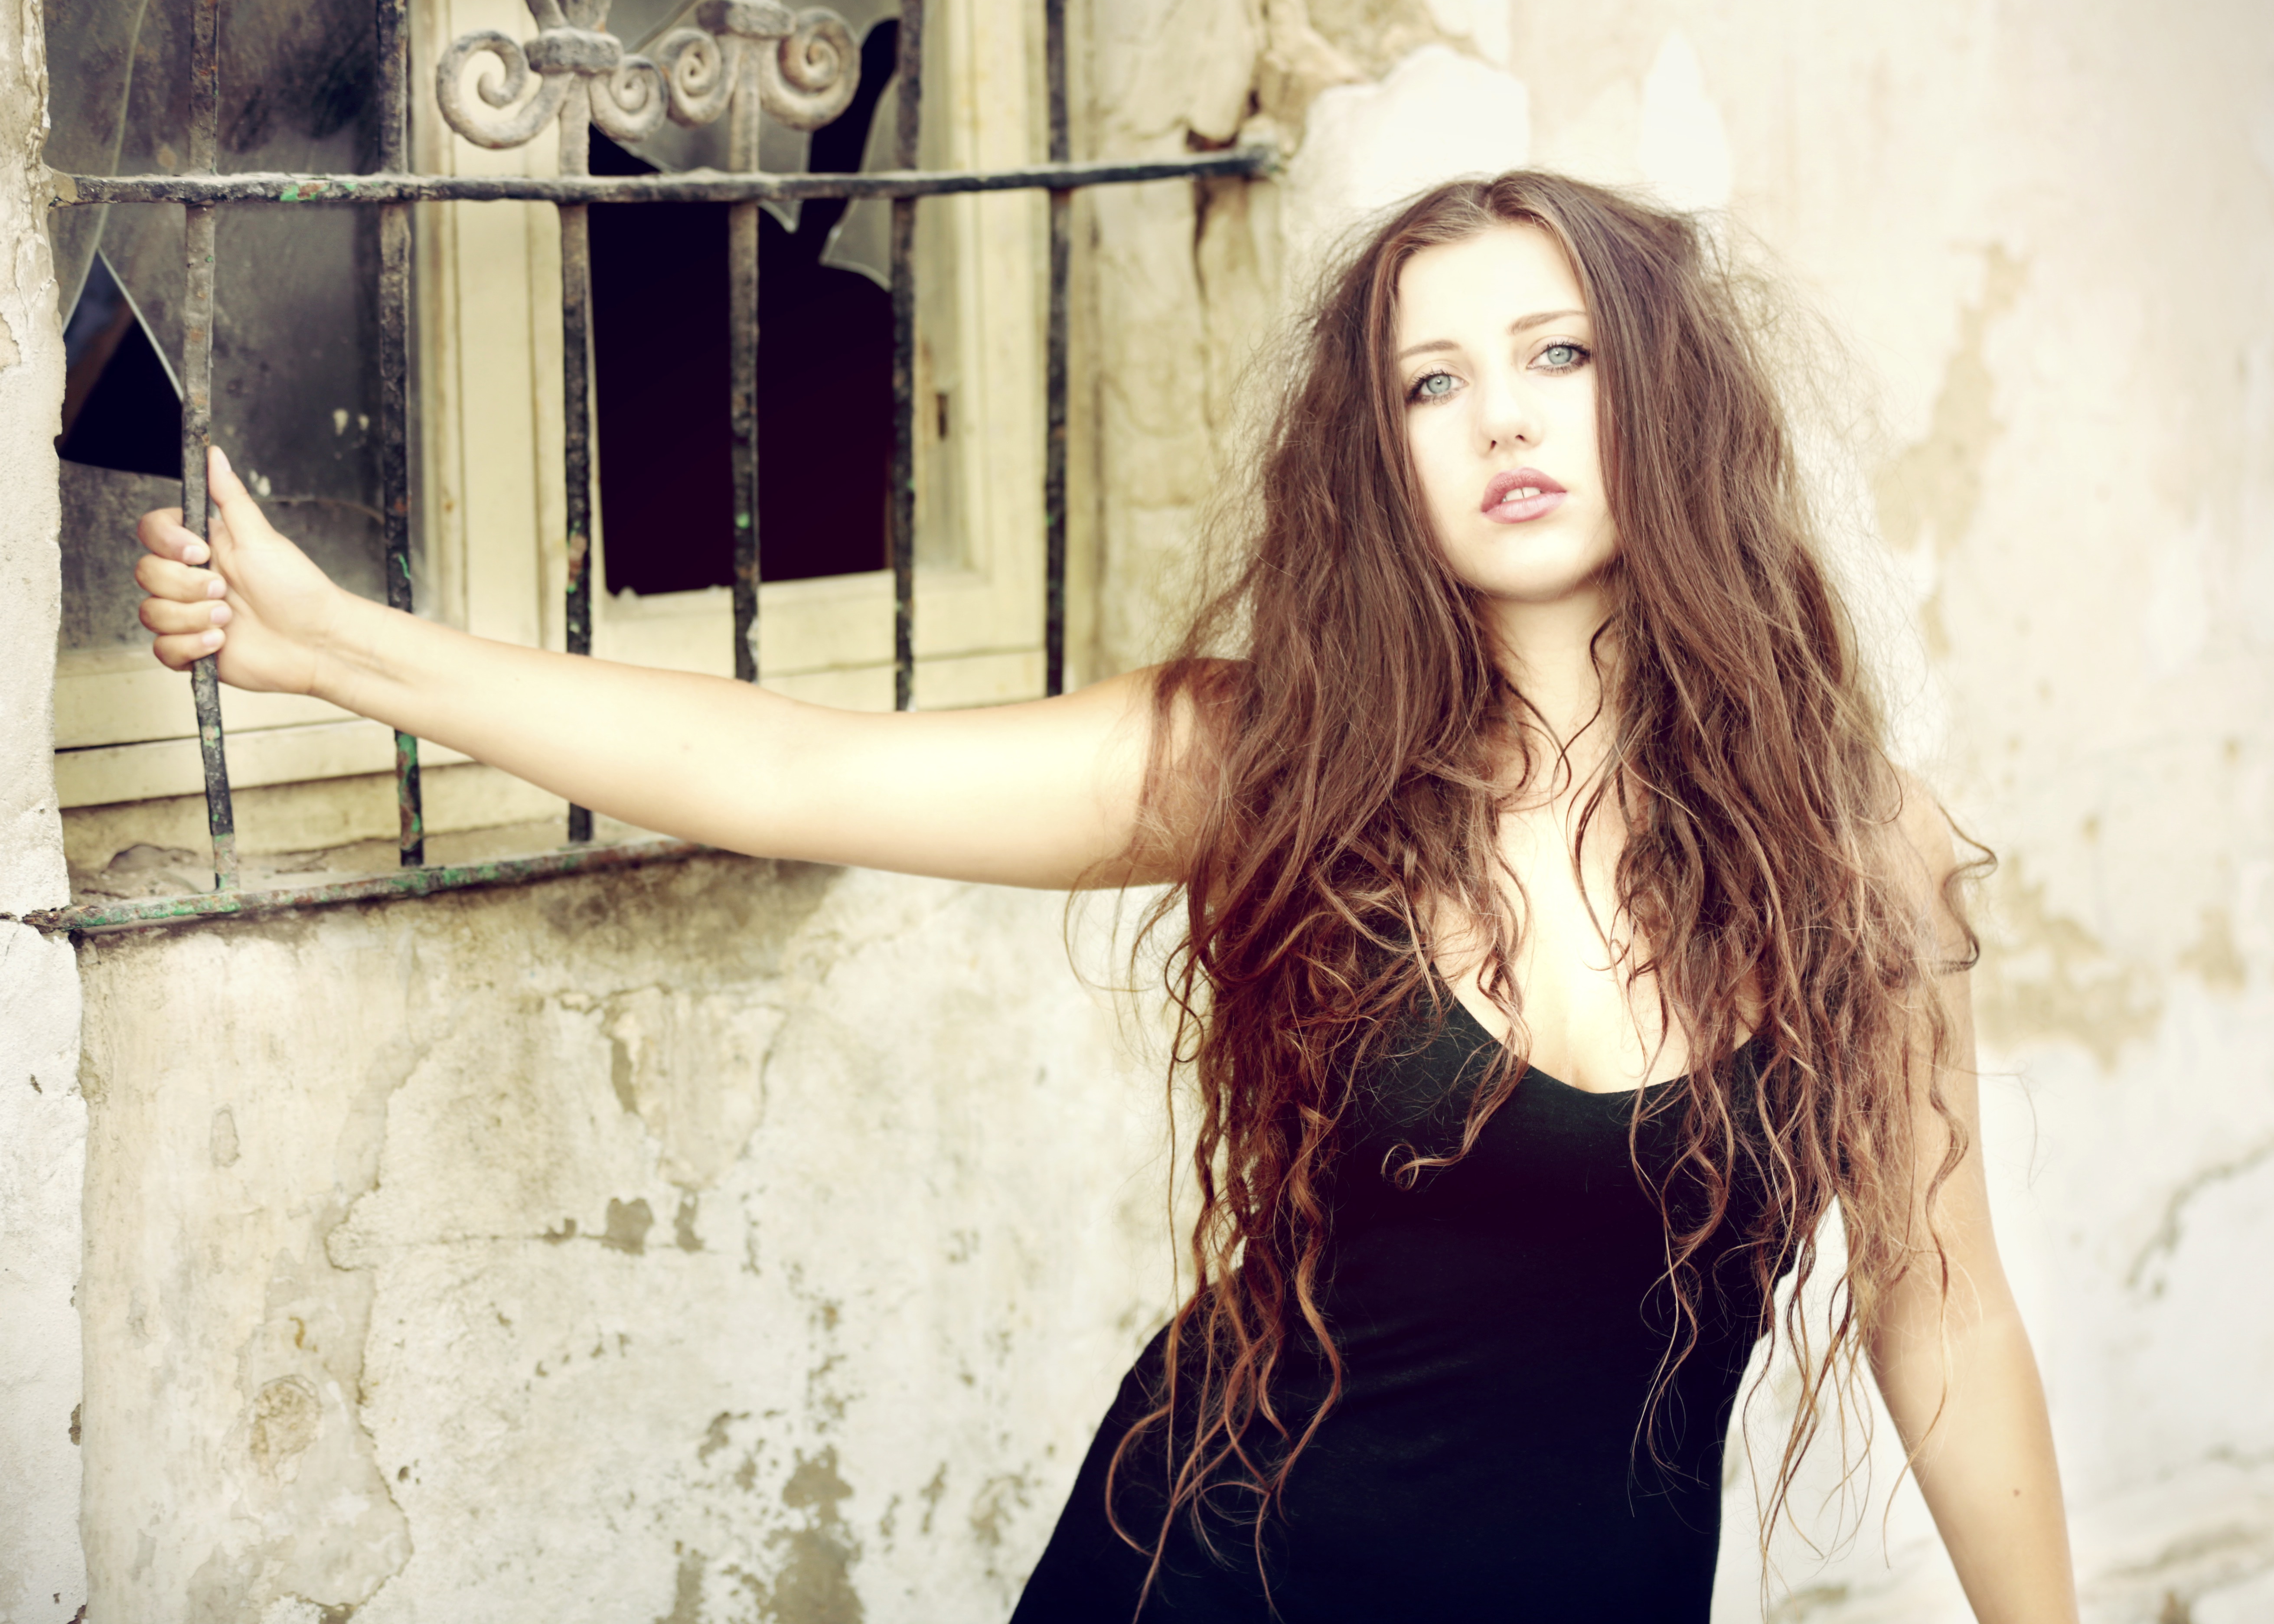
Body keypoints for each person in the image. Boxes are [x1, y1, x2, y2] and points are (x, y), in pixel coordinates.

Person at [133, 171, 2078, 1621]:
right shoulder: (1275, 761)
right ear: (1382, 460)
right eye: (1434, 383)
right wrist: (339, 651)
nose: (1503, 417)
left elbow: (1946, 1313)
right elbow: (798, 771)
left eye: (1559, 355)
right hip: (1214, 1572)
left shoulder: (1856, 850)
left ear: (1669, 397)